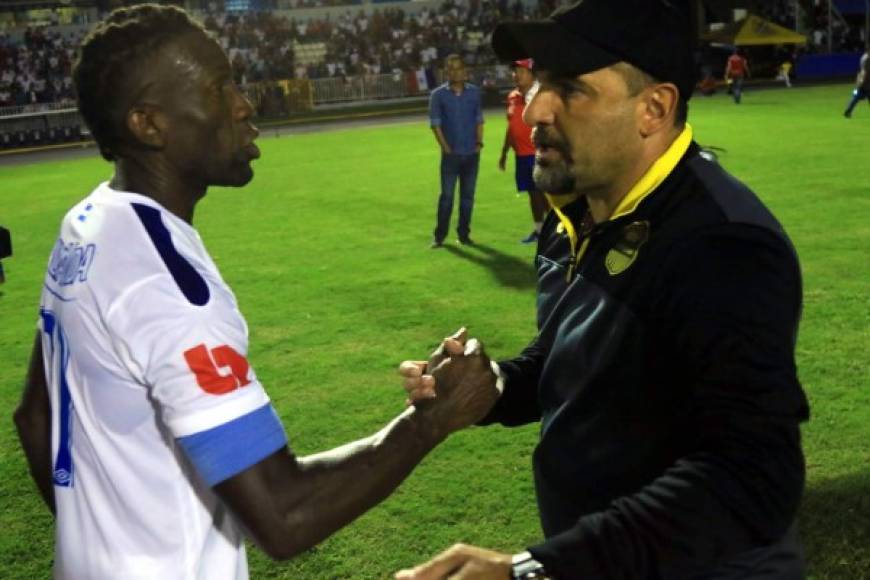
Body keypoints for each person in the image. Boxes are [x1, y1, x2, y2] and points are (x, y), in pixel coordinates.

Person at [12, 6, 498, 579]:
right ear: (149, 125)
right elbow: (284, 514)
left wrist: (106, 543)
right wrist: (431, 420)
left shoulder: (88, 223)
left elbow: (34, 418)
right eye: (219, 90)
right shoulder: (166, 286)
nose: (244, 105)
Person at [396, 0, 809, 578]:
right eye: (540, 81)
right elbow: (576, 360)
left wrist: (535, 568)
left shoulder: (720, 244)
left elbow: (753, 475)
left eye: (569, 87)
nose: (536, 107)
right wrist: (494, 386)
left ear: (654, 108)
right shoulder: (576, 217)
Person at [429, 54, 484, 248]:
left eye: (458, 68)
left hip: (471, 154)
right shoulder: (438, 95)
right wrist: (446, 149)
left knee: (467, 198)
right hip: (451, 156)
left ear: (465, 71)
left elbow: (479, 119)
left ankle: (464, 234)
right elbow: (435, 125)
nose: (455, 72)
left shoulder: (474, 93)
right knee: (447, 198)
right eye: (451, 69)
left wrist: (479, 144)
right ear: (446, 72)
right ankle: (439, 236)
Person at [498, 58, 549, 245]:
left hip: (539, 153)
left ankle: (560, 231)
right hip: (521, 155)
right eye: (514, 72)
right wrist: (504, 152)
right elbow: (511, 127)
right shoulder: (513, 96)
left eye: (520, 71)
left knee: (546, 195)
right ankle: (539, 230)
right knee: (532, 193)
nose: (516, 75)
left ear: (531, 74)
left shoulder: (540, 94)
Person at [844, 50, 869, 118]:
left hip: (861, 80)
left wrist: (859, 82)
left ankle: (848, 110)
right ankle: (848, 111)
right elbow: (866, 72)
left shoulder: (863, 57)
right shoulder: (867, 59)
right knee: (856, 96)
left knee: (855, 96)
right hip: (865, 82)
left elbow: (862, 70)